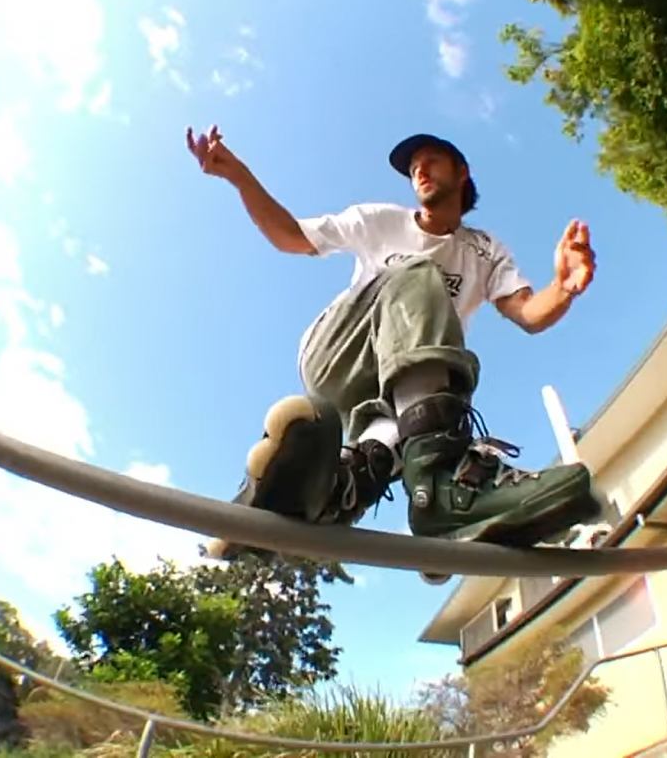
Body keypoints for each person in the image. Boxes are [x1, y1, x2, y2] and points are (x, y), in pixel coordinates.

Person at [186, 125, 601, 560]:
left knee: (425, 402)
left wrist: (563, 287)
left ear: (462, 172)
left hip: (398, 391)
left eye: (431, 161)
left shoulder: (484, 249)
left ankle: (339, 489)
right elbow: (290, 236)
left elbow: (528, 313)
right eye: (413, 167)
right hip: (341, 353)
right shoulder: (380, 220)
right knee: (418, 276)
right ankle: (439, 484)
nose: (419, 170)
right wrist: (239, 176)